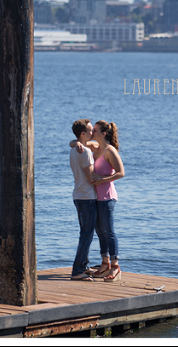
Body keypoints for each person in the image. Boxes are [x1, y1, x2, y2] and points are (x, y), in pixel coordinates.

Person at [72, 120, 125, 282]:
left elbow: (121, 173)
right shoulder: (94, 147)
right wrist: (76, 144)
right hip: (94, 197)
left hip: (107, 197)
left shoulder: (110, 151)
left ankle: (115, 266)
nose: (92, 132)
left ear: (103, 133)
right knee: (100, 232)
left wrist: (102, 180)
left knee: (108, 231)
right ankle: (104, 263)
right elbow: (75, 140)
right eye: (91, 130)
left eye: (95, 130)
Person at [69, 118, 97, 281]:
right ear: (83, 134)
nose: (93, 132)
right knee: (86, 234)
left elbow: (73, 143)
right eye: (90, 130)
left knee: (85, 233)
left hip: (79, 195)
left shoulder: (76, 149)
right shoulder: (84, 152)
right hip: (86, 196)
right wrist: (112, 176)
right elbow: (91, 177)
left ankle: (83, 265)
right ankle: (77, 270)